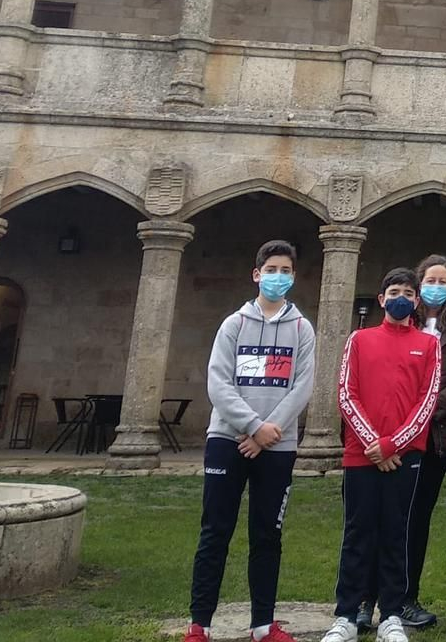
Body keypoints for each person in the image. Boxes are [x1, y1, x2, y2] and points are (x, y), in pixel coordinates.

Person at [184, 241, 317, 642]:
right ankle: (199, 625)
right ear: (256, 274)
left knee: (267, 535)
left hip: (277, 444)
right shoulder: (234, 325)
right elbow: (218, 383)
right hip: (228, 439)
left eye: (286, 270)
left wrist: (267, 432)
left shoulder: (301, 328)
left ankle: (263, 625)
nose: (279, 276)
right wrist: (252, 425)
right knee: (215, 532)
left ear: (293, 277)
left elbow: (302, 387)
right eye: (271, 269)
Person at [321, 269, 441, 642]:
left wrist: (393, 445)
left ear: (416, 301)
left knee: (396, 532)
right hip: (361, 454)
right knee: (357, 533)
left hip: (405, 455)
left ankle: (391, 613)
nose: (401, 297)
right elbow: (345, 393)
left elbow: (427, 401)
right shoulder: (359, 339)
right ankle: (346, 614)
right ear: (381, 299)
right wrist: (374, 443)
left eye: (408, 292)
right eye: (394, 291)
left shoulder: (429, 344)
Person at [366, 255, 446, 631]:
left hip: (435, 436)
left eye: (444, 281)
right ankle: (366, 597)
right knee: (379, 515)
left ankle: (405, 596)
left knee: (416, 518)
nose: (436, 287)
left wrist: (428, 407)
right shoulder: (399, 320)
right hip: (391, 434)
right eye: (430, 280)